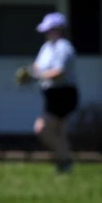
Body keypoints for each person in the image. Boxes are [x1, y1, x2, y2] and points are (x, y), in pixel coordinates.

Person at [28, 12, 79, 173]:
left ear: (59, 30)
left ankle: (65, 159)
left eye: (50, 30)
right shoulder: (46, 47)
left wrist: (36, 76)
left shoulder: (64, 47)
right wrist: (28, 73)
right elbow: (37, 67)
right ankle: (64, 165)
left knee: (41, 128)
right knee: (59, 131)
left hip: (63, 94)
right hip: (51, 94)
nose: (47, 33)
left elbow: (58, 72)